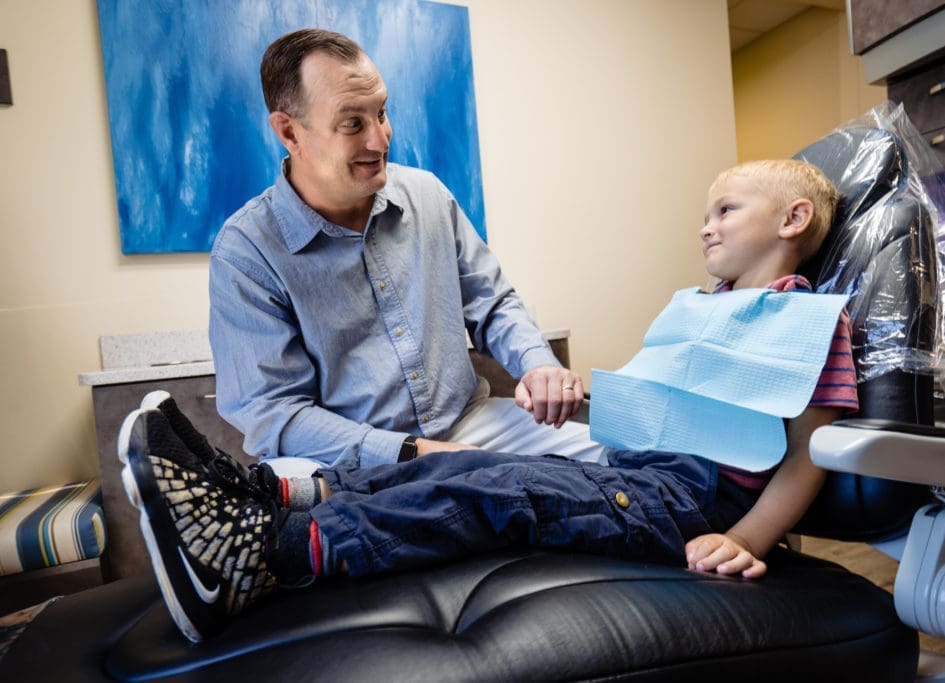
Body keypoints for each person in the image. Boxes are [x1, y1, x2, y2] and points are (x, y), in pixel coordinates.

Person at [123, 159, 858, 643]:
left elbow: (807, 452)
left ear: (792, 220)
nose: (706, 224)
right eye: (355, 122)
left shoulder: (807, 324)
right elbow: (665, 410)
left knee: (488, 480)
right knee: (467, 471)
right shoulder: (707, 308)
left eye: (726, 210)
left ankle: (276, 552)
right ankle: (257, 492)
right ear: (291, 132)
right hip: (648, 477)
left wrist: (752, 539)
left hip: (691, 504)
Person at [208, 28, 604, 470]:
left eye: (382, 112)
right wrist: (414, 453)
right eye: (353, 123)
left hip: (468, 425)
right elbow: (274, 414)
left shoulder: (427, 195)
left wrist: (537, 364)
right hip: (347, 458)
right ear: (289, 132)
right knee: (287, 489)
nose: (379, 140)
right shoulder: (245, 253)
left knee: (614, 451)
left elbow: (492, 305)